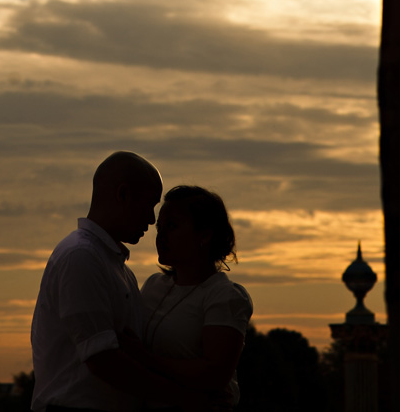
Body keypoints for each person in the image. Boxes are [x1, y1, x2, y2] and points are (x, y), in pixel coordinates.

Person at [31, 151, 199, 412]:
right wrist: (185, 398)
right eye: (150, 204)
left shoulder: (109, 265)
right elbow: (103, 360)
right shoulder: (82, 257)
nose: (152, 219)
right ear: (123, 195)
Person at [123, 185, 253, 405]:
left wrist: (145, 359)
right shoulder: (154, 285)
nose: (161, 236)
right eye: (159, 228)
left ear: (204, 235)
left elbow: (214, 374)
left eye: (172, 226)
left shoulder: (224, 297)